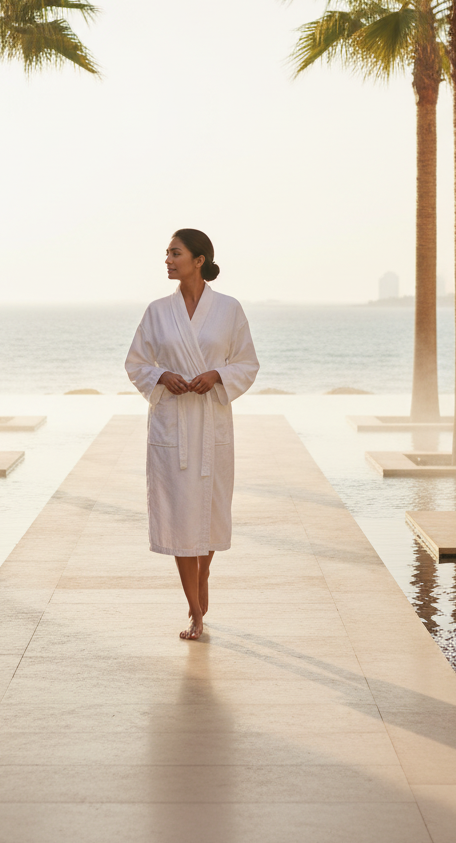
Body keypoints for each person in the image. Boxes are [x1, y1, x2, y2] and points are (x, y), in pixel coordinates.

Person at [125, 229, 259, 640]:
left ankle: (201, 582)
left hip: (212, 425)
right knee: (182, 517)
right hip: (172, 428)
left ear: (199, 260)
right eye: (167, 252)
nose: (167, 259)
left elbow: (247, 363)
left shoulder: (229, 309)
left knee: (210, 513)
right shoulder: (156, 311)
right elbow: (135, 363)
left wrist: (218, 374)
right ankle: (195, 610)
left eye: (175, 253)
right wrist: (162, 375)